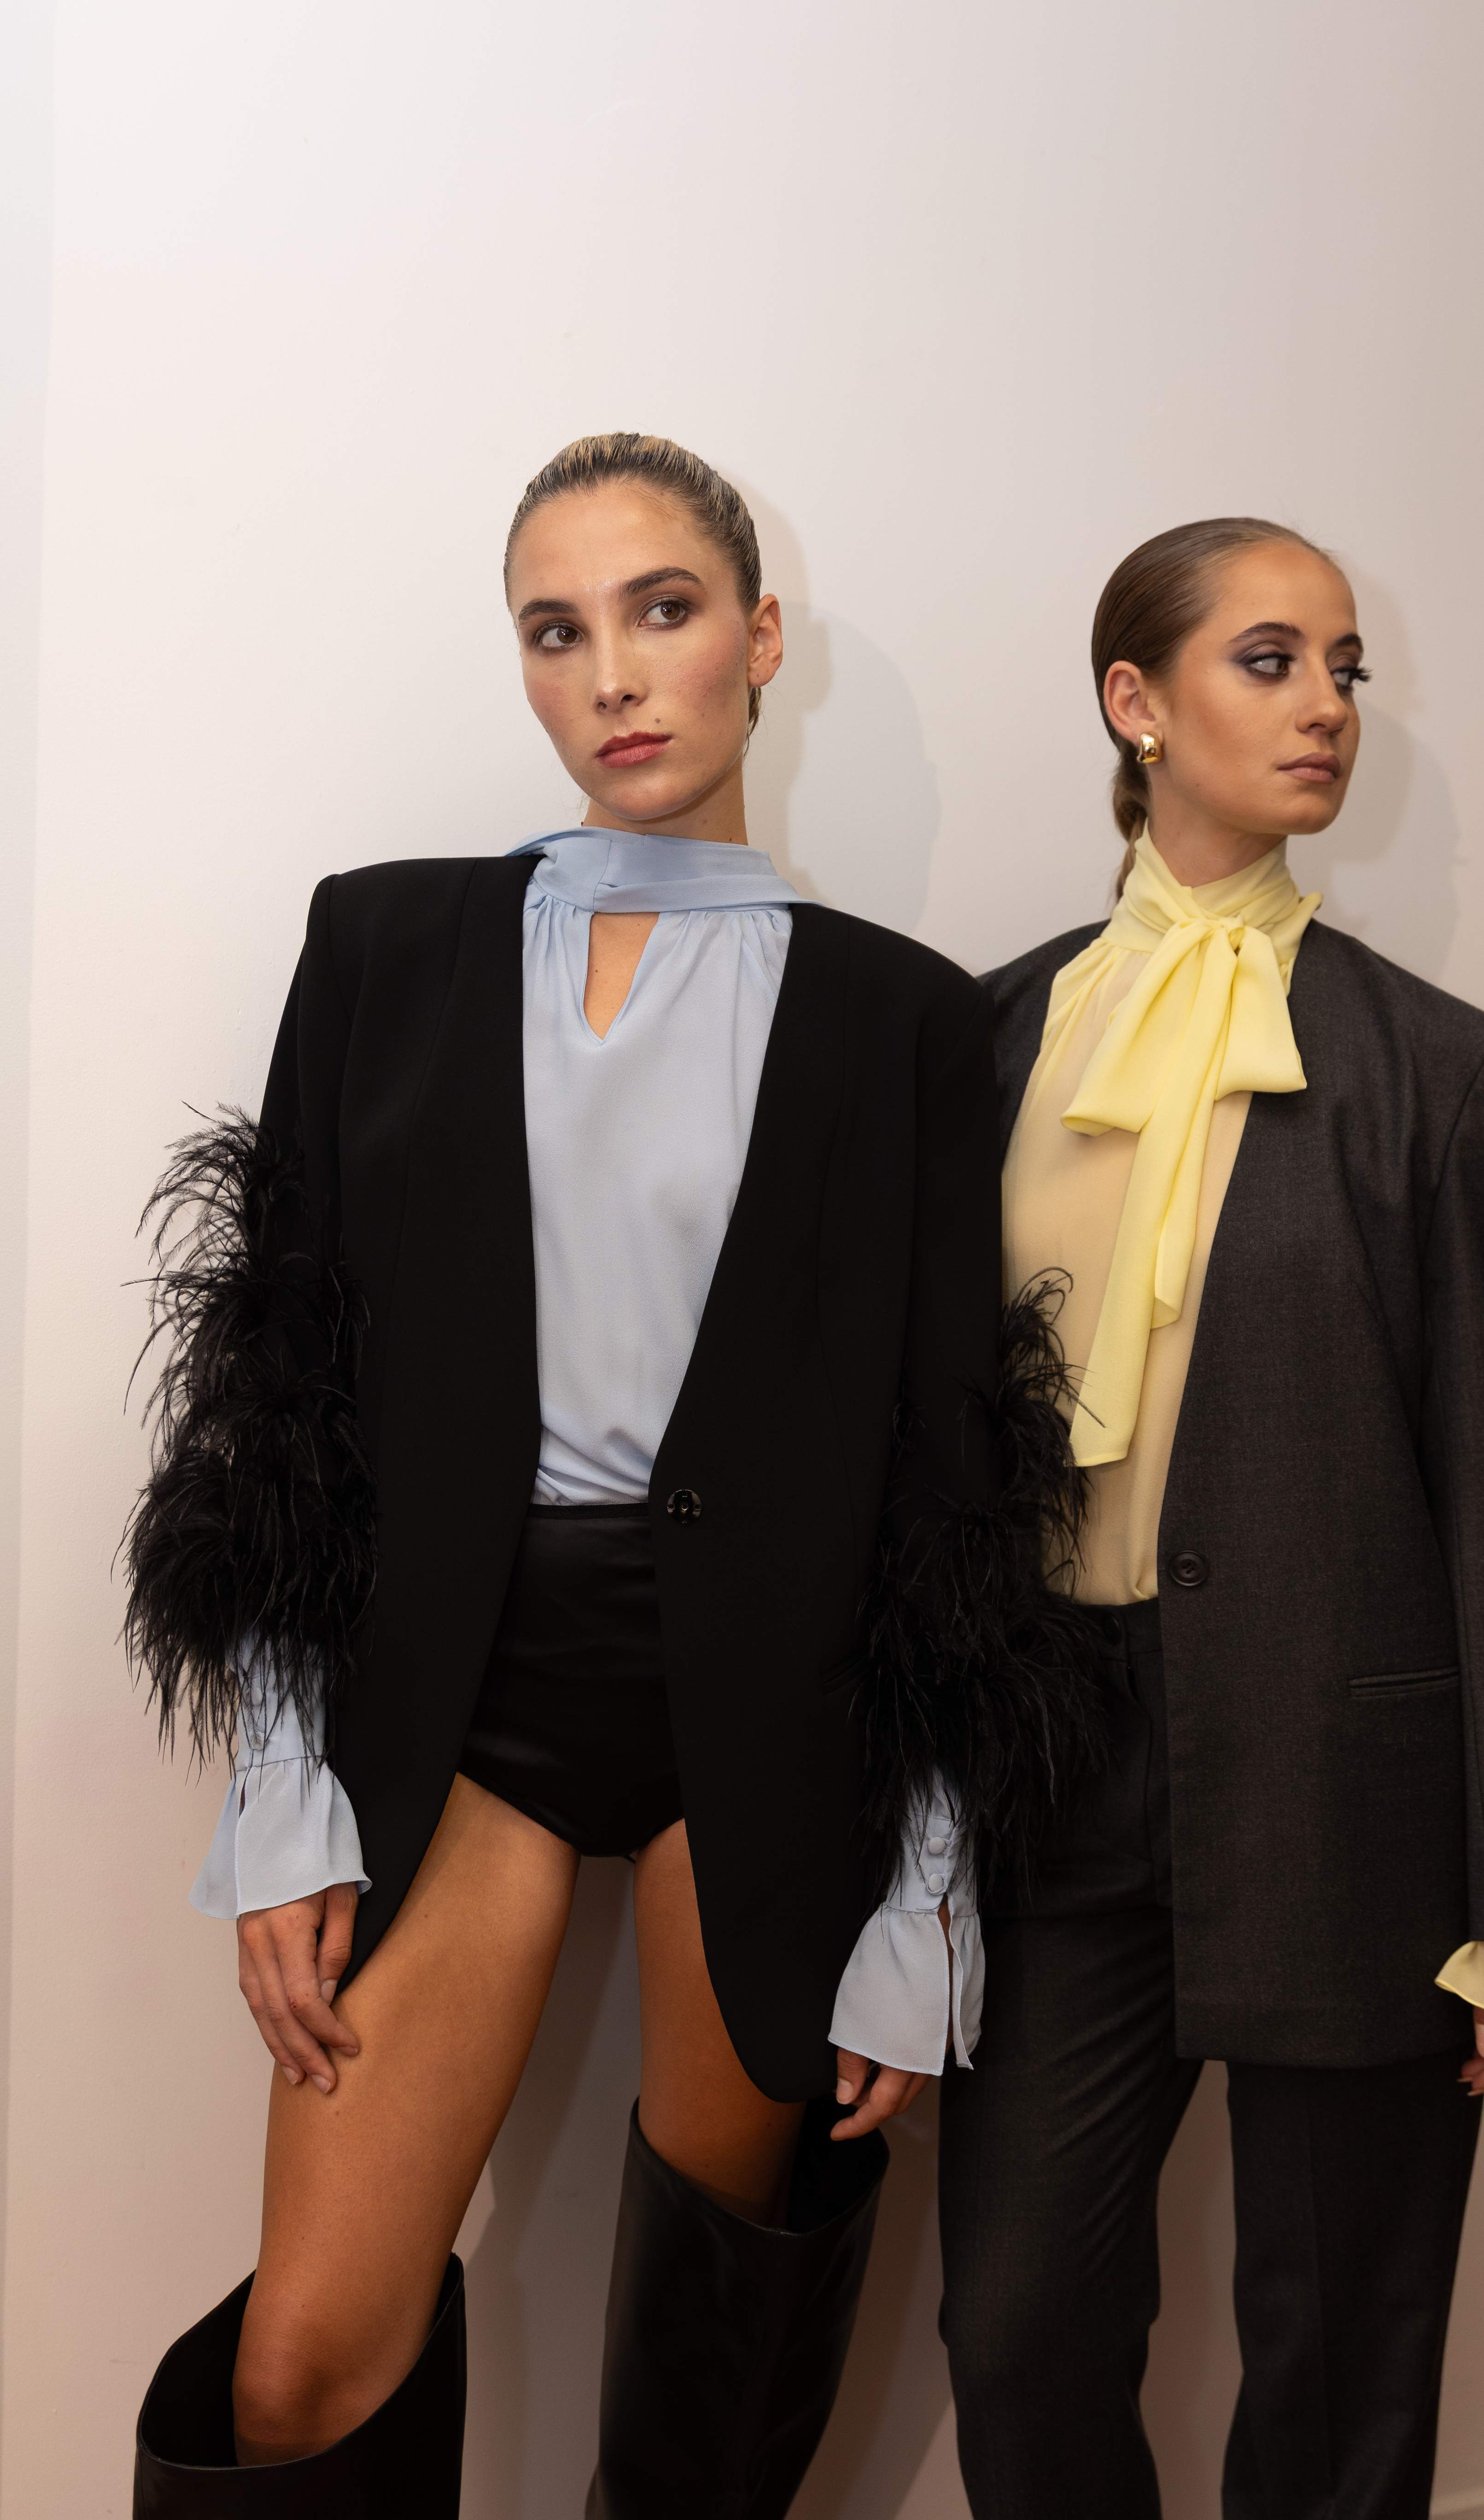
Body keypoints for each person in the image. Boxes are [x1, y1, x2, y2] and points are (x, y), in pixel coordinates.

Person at [124, 433, 1093, 2518]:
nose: (616, 676)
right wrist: (283, 1787)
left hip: (771, 1704)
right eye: (556, 632)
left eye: (663, 611)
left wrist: (922, 1900)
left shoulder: (903, 1019)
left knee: (706, 2379)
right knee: (297, 2370)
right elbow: (278, 1403)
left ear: (760, 636)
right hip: (459, 1689)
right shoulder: (386, 946)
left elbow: (952, 1480)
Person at [939, 517, 1484, 2520]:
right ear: (1134, 703)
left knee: (1339, 2365)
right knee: (1020, 2324)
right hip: (1060, 1763)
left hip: (1349, 1785)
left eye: (1346, 669)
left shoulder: (1437, 1072)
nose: (1327, 707)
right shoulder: (987, 1038)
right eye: (1270, 659)